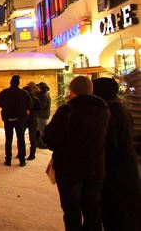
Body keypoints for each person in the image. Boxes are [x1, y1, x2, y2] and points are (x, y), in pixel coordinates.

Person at [45, 76, 109, 231]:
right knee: (93, 212)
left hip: (69, 169)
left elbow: (50, 140)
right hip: (95, 168)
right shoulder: (103, 111)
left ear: (72, 91)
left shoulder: (67, 111)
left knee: (72, 212)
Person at [92, 77, 141, 231]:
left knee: (116, 217)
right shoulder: (121, 109)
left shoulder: (109, 113)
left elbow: (110, 147)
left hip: (116, 174)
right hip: (127, 170)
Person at [0, 75, 31, 166]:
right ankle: (22, 160)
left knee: (8, 139)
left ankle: (8, 160)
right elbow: (29, 103)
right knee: (21, 139)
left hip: (8, 118)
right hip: (20, 118)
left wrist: (6, 106)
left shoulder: (5, 92)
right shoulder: (24, 93)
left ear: (10, 83)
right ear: (18, 83)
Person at [25, 82, 42, 161]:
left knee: (32, 137)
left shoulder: (35, 100)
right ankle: (23, 153)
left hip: (31, 119)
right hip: (26, 119)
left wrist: (31, 113)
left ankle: (32, 154)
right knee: (22, 136)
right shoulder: (25, 100)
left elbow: (39, 110)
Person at [36, 82, 51, 148]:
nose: (37, 88)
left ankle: (42, 144)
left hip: (41, 115)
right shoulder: (45, 94)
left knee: (42, 130)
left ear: (41, 88)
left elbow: (42, 106)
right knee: (40, 129)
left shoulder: (42, 96)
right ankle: (39, 143)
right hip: (42, 115)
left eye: (38, 87)